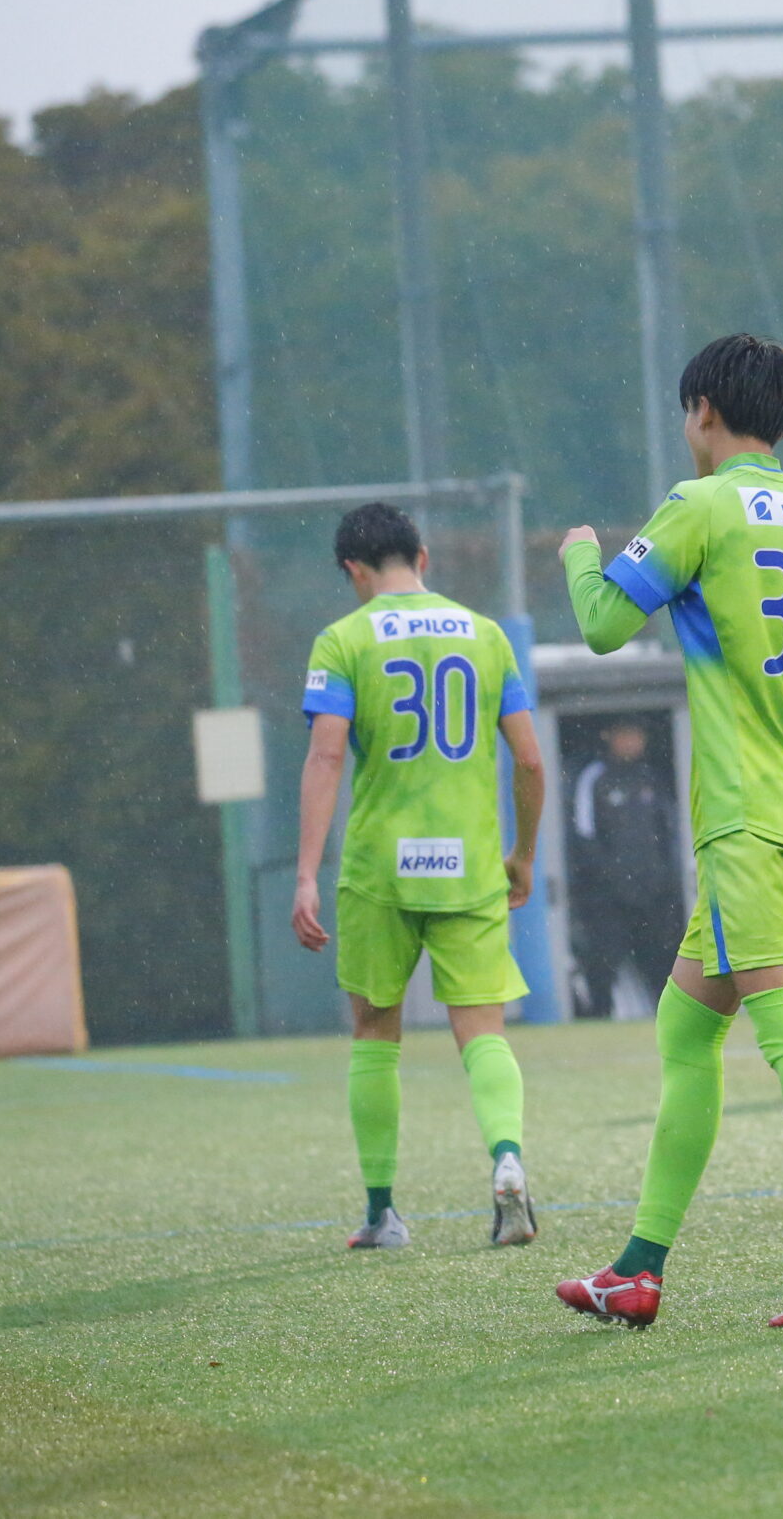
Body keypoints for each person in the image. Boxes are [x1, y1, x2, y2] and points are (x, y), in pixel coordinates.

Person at [552, 333, 783, 1330]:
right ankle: (637, 1268)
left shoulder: (698, 505)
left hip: (743, 816)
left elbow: (605, 625)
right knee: (686, 1026)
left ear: (702, 409)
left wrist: (581, 551)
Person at [292, 502, 545, 1251]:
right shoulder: (487, 635)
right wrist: (523, 854)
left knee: (375, 1032)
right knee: (484, 1032)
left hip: (380, 869)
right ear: (424, 557)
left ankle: (383, 1213)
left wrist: (307, 873)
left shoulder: (343, 639)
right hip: (469, 865)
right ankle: (506, 1161)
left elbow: (327, 757)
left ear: (354, 571)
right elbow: (530, 760)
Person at [567, 720, 683, 1018]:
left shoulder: (652, 779)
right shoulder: (594, 778)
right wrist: (613, 879)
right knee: (603, 962)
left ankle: (668, 1018)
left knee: (663, 961)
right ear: (608, 736)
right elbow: (584, 835)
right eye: (625, 734)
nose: (631, 741)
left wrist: (663, 879)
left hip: (654, 894)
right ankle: (600, 1018)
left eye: (636, 734)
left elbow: (670, 834)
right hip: (609, 897)